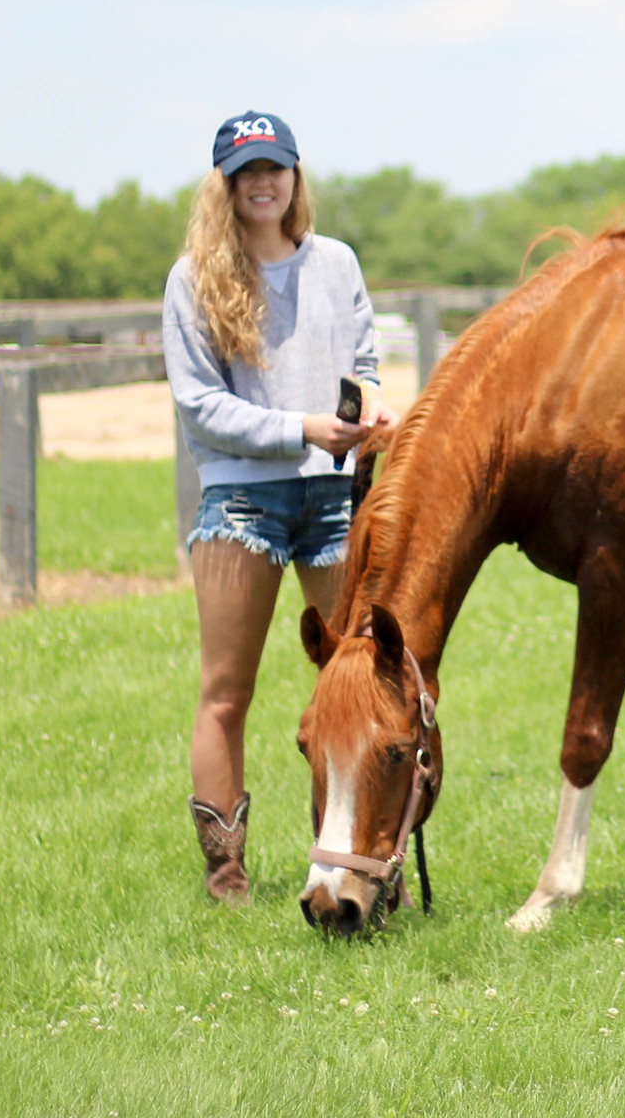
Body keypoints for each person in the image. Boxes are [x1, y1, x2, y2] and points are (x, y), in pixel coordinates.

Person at [163, 110, 395, 902]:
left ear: (296, 177)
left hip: (336, 496)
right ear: (222, 185)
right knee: (228, 691)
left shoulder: (336, 264)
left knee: (357, 689)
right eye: (246, 171)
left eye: (276, 168)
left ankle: (357, 866)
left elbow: (362, 361)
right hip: (243, 502)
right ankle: (226, 875)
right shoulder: (194, 280)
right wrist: (299, 427)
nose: (262, 183)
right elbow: (200, 407)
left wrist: (368, 414)